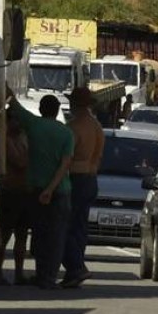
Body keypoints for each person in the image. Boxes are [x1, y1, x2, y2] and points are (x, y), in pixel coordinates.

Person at [6, 88, 73, 289]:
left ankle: (41, 273)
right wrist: (51, 189)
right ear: (57, 110)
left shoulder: (33, 125)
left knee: (40, 235)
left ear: (41, 110)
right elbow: (65, 165)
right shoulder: (66, 133)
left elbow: (14, 105)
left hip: (36, 190)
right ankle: (49, 277)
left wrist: (6, 85)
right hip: (60, 191)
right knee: (56, 236)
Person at [60, 87, 104, 288]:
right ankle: (76, 267)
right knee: (80, 226)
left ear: (75, 104)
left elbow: (67, 158)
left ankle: (76, 267)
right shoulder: (96, 127)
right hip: (91, 177)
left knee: (66, 225)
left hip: (76, 178)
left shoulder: (73, 127)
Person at [0, 112, 31, 285]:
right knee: (5, 235)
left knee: (22, 236)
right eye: (15, 120)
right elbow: (20, 161)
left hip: (24, 192)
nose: (19, 124)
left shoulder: (23, 137)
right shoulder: (6, 140)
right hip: (9, 191)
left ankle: (19, 273)